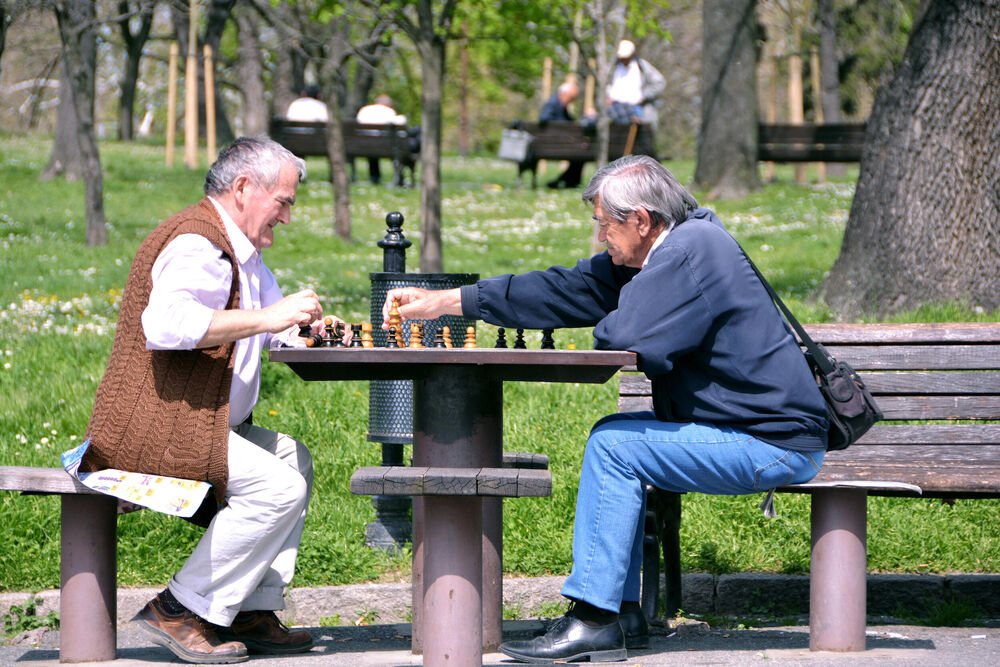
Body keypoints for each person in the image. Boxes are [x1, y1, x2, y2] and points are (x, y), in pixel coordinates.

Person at [381, 155, 829, 663]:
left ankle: (594, 619)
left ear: (641, 219)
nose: (600, 239)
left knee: (615, 447)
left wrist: (618, 307)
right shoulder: (665, 251)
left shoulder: (688, 252)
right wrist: (449, 301)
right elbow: (564, 290)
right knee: (615, 433)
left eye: (605, 225)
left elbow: (625, 335)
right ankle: (623, 612)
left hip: (770, 443)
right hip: (745, 430)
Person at [81, 137, 339, 663]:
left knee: (294, 459)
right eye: (284, 202)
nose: (287, 217)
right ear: (244, 188)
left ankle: (247, 606)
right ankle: (178, 609)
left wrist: (306, 329)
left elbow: (270, 326)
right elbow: (167, 324)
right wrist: (272, 317)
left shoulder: (240, 251)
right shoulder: (198, 243)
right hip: (156, 427)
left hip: (201, 424)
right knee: (277, 488)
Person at [607, 39, 665, 129]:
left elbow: (659, 82)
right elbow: (607, 85)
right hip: (617, 110)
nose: (624, 60)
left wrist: (644, 96)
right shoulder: (614, 68)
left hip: (638, 110)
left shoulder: (642, 67)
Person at [540, 80, 586, 189]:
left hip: (559, 144)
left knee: (581, 152)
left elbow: (570, 121)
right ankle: (568, 181)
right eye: (571, 98)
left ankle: (564, 181)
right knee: (581, 152)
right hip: (553, 145)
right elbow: (544, 118)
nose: (571, 101)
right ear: (563, 94)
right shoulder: (553, 104)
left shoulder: (559, 104)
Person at [355, 94, 407, 185]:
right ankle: (399, 177)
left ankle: (374, 177)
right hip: (386, 147)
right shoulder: (389, 111)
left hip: (363, 146)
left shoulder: (364, 110)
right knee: (395, 145)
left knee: (372, 145)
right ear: (388, 104)